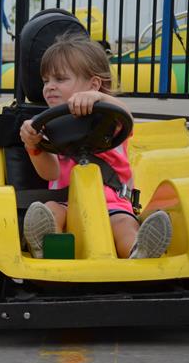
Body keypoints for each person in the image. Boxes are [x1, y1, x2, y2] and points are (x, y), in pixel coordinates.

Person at [19, 33, 172, 259]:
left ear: (93, 84)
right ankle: (45, 247)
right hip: (67, 202)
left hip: (112, 204)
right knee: (50, 209)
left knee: (124, 224)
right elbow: (50, 173)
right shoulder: (46, 126)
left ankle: (138, 251)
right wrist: (33, 145)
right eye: (46, 81)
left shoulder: (110, 119)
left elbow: (127, 117)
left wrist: (99, 98)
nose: (49, 87)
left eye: (60, 79)